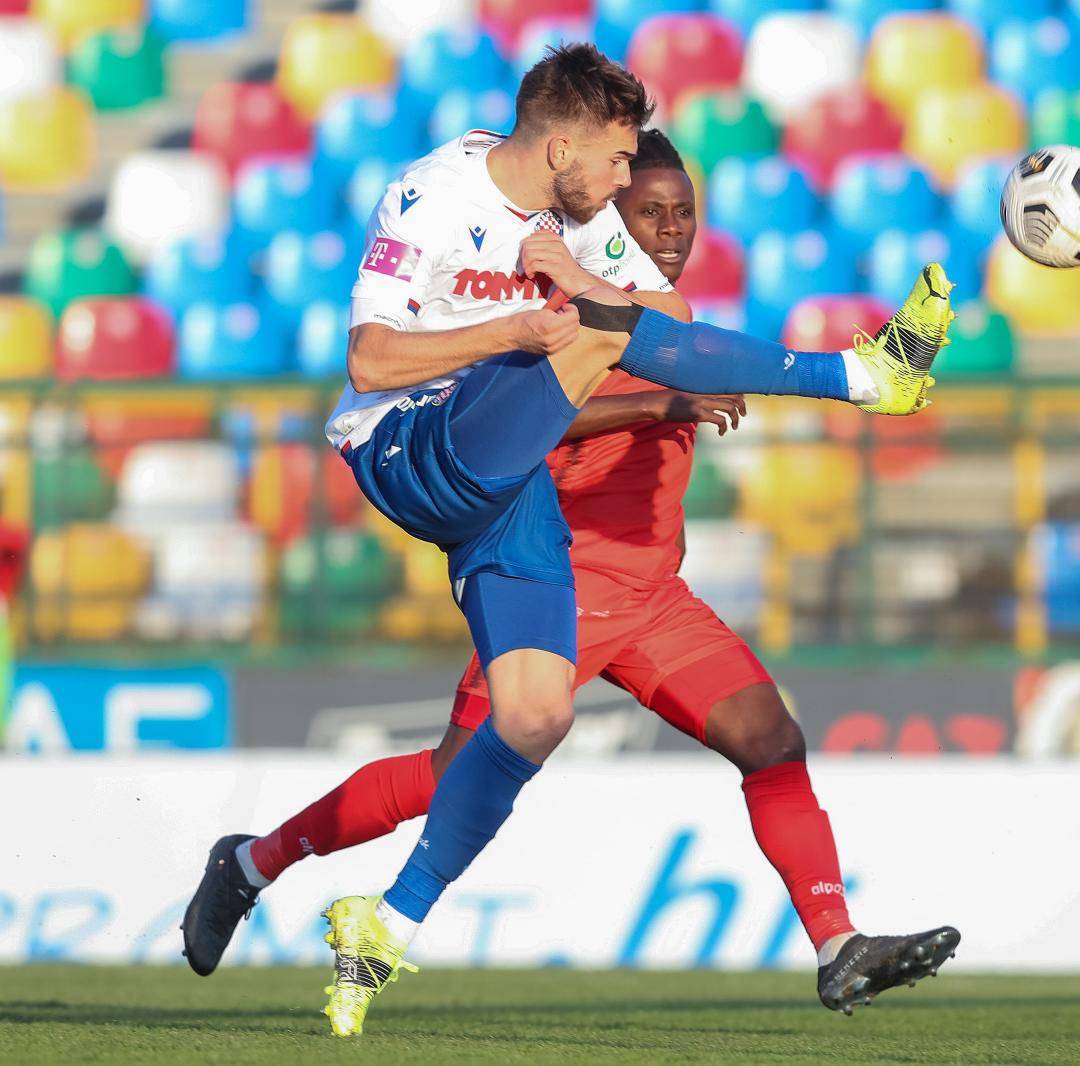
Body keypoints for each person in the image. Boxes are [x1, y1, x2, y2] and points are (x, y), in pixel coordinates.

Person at [184, 43, 954, 1038]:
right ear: (563, 149)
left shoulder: (597, 252)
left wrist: (603, 303)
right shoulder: (435, 198)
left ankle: (381, 924)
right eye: (633, 180)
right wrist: (541, 334)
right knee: (442, 768)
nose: (651, 211)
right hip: (423, 450)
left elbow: (640, 323)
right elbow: (374, 362)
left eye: (675, 206)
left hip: (608, 570)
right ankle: (860, 377)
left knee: (582, 726)